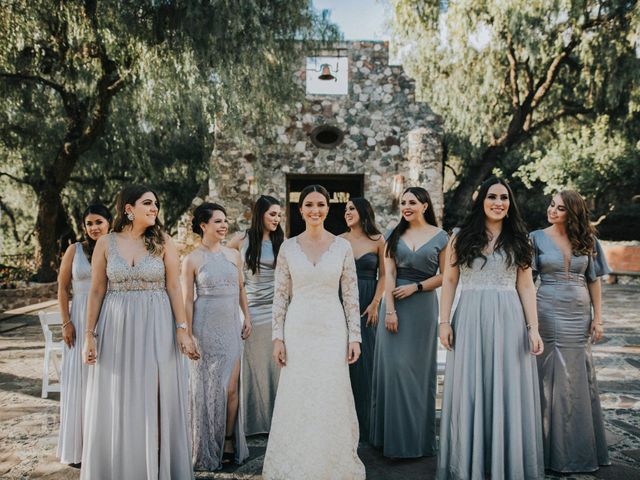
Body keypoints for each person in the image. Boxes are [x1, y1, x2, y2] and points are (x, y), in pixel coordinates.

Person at [81, 185, 198, 480]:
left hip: (157, 324)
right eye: (148, 203)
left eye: (156, 203)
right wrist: (88, 335)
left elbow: (174, 287)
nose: (154, 208)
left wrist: (182, 330)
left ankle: (156, 468)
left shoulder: (164, 241)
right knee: (117, 395)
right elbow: (96, 290)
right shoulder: (106, 242)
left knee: (157, 395)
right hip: (116, 326)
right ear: (128, 209)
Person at [437, 176, 545, 480]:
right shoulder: (460, 236)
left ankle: (506, 464)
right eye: (492, 197)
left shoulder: (520, 239)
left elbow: (525, 285)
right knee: (470, 386)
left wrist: (533, 328)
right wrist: (444, 321)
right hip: (470, 316)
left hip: (509, 317)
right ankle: (469, 464)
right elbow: (449, 280)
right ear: (481, 201)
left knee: (507, 386)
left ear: (510, 205)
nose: (498, 203)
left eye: (504, 198)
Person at [262, 185, 366, 480]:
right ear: (300, 209)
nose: (315, 209)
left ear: (328, 208)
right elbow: (280, 295)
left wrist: (354, 336)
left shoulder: (342, 247)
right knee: (298, 392)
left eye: (320, 204)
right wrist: (278, 337)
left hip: (332, 329)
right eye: (309, 204)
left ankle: (330, 461)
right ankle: (295, 460)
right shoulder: (288, 248)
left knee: (329, 392)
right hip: (298, 328)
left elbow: (351, 294)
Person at [530, 190, 611, 473]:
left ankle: (578, 450)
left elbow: (595, 281)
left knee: (577, 377)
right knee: (548, 377)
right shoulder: (535, 238)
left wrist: (598, 318)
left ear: (573, 212)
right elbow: (526, 282)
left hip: (579, 314)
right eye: (551, 205)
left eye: (560, 208)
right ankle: (546, 450)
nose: (552, 210)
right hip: (547, 310)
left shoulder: (588, 240)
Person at [369, 187, 448, 457]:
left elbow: (446, 276)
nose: (406, 206)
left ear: (425, 206)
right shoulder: (393, 234)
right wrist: (389, 309)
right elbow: (388, 273)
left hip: (422, 306)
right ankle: (390, 439)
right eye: (403, 202)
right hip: (394, 307)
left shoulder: (441, 237)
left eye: (412, 202)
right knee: (395, 370)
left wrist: (417, 287)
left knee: (417, 374)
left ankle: (417, 441)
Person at [182, 202, 252, 470]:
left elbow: (241, 288)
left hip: (231, 325)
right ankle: (205, 443)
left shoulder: (234, 255)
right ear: (203, 225)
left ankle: (228, 440)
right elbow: (188, 301)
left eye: (225, 221)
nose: (224, 226)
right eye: (218, 221)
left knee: (231, 388)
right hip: (204, 326)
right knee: (207, 389)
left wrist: (247, 316)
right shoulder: (192, 259)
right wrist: (187, 334)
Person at [57, 204, 111, 466]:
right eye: (89, 223)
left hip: (107, 317)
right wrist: (66, 321)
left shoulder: (115, 248)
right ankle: (78, 448)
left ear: (110, 223)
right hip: (78, 317)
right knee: (79, 381)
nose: (94, 228)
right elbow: (62, 287)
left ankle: (100, 446)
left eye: (98, 222)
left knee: (103, 382)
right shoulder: (74, 250)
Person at [228, 195, 284, 435]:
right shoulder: (241, 239)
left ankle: (277, 421)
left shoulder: (283, 241)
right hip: (249, 309)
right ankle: (253, 422)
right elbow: (223, 257)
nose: (277, 218)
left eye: (279, 215)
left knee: (275, 366)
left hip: (276, 309)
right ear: (260, 214)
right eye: (272, 214)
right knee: (253, 366)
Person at [340, 197, 385, 442]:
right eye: (346, 209)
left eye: (352, 209)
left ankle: (367, 426)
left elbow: (386, 276)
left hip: (369, 303)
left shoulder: (378, 240)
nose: (347, 213)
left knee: (367, 363)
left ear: (364, 212)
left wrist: (376, 303)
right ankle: (344, 425)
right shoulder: (339, 241)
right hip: (342, 302)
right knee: (343, 361)